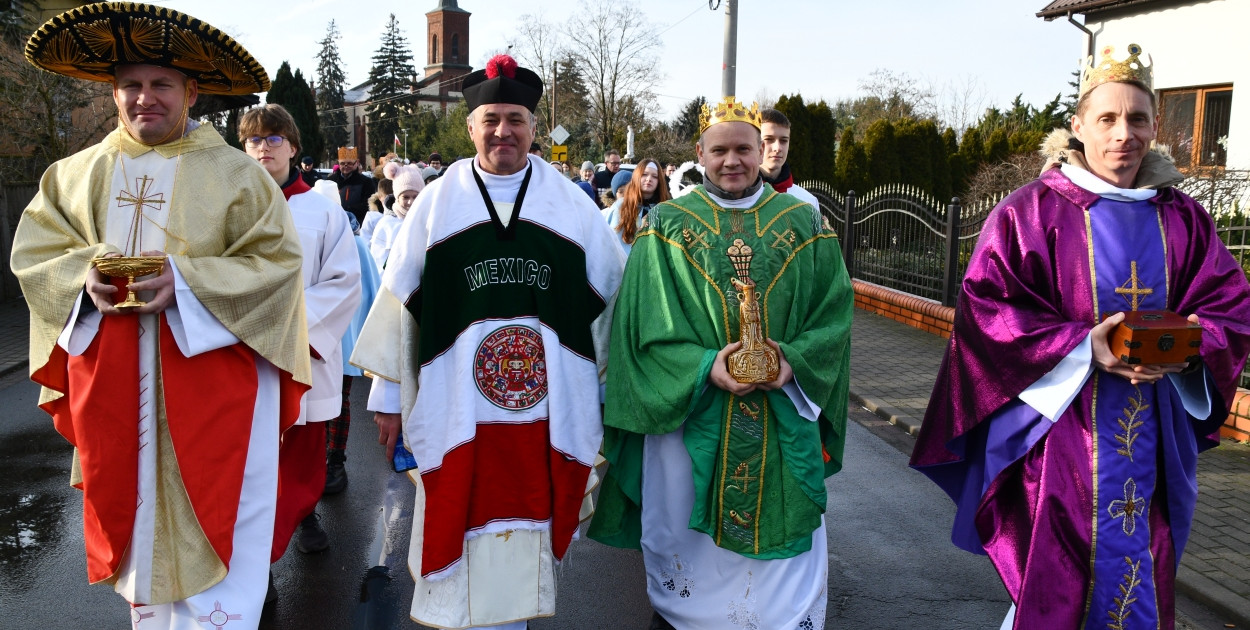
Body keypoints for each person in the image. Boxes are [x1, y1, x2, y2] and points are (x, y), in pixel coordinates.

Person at [910, 44, 1250, 630]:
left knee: (1144, 563)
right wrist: (1084, 345)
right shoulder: (1032, 211)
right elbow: (986, 308)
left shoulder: (1183, 217)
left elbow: (1230, 307)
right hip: (1064, 431)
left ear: (1154, 126)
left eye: (1138, 118)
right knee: (1060, 575)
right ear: (1078, 126)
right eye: (1108, 119)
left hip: (1157, 428)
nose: (1125, 134)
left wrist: (1191, 344)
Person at [14, 4, 311, 627]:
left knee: (223, 516)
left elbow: (278, 266)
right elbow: (35, 257)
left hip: (217, 384)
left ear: (191, 91)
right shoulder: (74, 175)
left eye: (161, 84)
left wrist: (188, 281)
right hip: (116, 386)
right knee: (140, 521)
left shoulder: (237, 176)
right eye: (131, 85)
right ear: (113, 92)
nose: (144, 98)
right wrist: (82, 274)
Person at [352, 53, 625, 630]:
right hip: (455, 406)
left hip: (543, 414)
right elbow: (400, 307)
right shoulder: (436, 203)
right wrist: (386, 401)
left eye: (517, 119)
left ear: (533, 126)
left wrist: (603, 395)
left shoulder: (572, 205)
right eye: (492, 119)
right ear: (471, 126)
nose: (504, 131)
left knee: (524, 532)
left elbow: (609, 304)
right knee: (458, 513)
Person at [589, 96, 852, 629]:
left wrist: (793, 362)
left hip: (779, 407)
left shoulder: (805, 223)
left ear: (762, 151)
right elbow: (641, 328)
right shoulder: (665, 226)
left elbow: (834, 314)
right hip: (693, 412)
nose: (732, 161)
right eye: (720, 151)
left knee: (783, 560)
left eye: (744, 149)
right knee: (689, 546)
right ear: (699, 154)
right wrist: (706, 365)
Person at [238, 104, 360, 572]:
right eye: (253, 140)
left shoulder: (323, 211)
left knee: (303, 456)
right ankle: (257, 563)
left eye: (273, 139)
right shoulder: (229, 207)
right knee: (252, 463)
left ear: (292, 147)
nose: (263, 148)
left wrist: (285, 327)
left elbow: (344, 281)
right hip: (243, 357)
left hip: (300, 355)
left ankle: (305, 517)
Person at [601, 158, 670, 255]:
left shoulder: (665, 208)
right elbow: (609, 241)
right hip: (625, 264)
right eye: (644, 174)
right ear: (637, 176)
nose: (649, 179)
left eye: (654, 176)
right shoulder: (621, 205)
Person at [758, 108, 820, 212]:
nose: (777, 148)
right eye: (769, 139)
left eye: (783, 141)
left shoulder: (807, 202)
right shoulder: (738, 199)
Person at [369, 164, 423, 270]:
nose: (410, 202)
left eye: (415, 196)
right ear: (397, 197)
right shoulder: (386, 224)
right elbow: (377, 263)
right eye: (405, 197)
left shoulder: (426, 220)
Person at [327, 146, 376, 225]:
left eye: (349, 163)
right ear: (339, 164)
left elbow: (368, 205)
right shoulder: (330, 181)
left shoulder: (366, 182)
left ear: (356, 163)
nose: (346, 166)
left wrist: (347, 210)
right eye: (342, 163)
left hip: (357, 223)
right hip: (334, 223)